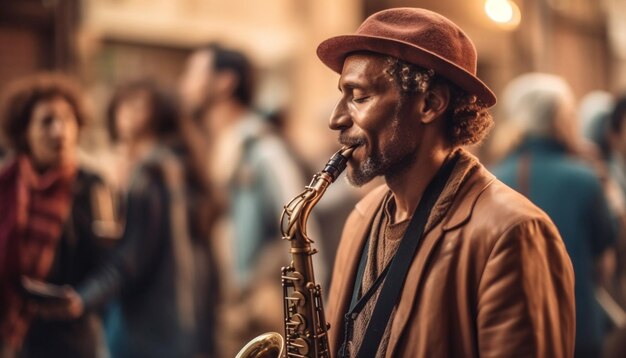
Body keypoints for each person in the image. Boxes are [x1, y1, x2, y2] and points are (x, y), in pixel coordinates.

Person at [317, 8, 575, 357]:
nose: (337, 118)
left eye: (359, 96)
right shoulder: (362, 216)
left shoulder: (513, 231)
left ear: (430, 103)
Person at [39, 81, 221, 358]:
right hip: (179, 325)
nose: (127, 112)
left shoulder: (151, 173)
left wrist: (83, 298)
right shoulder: (175, 166)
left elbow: (130, 259)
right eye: (125, 103)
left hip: (148, 330)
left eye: (138, 105)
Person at [179, 43, 315, 353]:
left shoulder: (262, 149)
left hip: (257, 318)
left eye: (194, 73)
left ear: (225, 82)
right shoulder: (209, 149)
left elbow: (302, 226)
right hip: (222, 313)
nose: (184, 83)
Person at [492, 74, 617, 357]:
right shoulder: (585, 178)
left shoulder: (491, 179)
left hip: (509, 333)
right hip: (576, 328)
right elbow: (604, 262)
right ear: (560, 118)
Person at [0, 73, 116, 357]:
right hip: (14, 330)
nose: (59, 131)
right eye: (47, 121)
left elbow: (111, 262)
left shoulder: (93, 186)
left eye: (67, 120)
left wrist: (83, 299)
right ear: (24, 131)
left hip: (72, 334)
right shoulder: (6, 184)